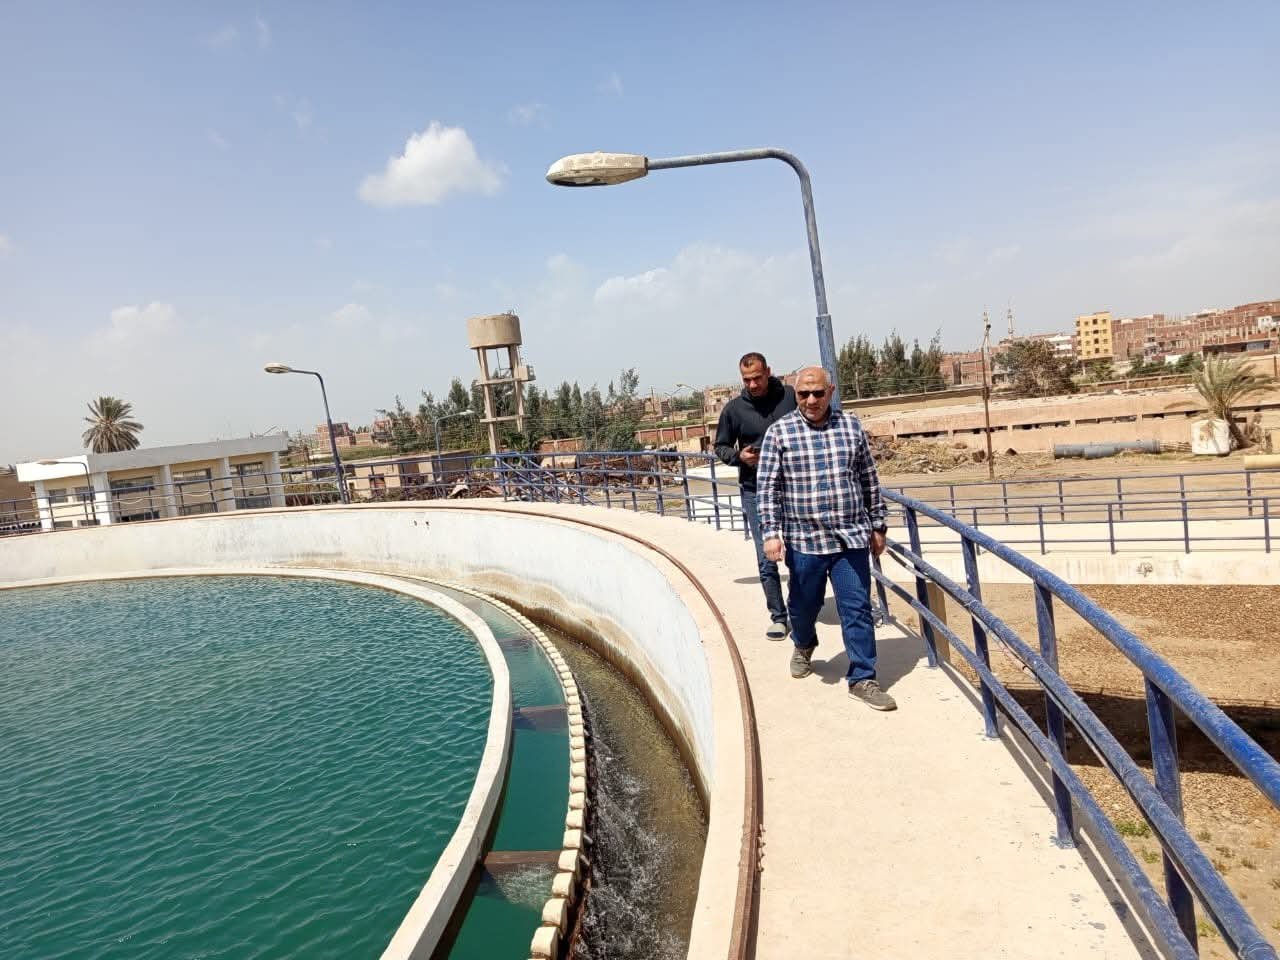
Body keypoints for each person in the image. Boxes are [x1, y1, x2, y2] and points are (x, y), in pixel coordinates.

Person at [756, 365, 897, 711]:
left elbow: (868, 478)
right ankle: (804, 643)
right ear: (796, 394)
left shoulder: (850, 427)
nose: (811, 400)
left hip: (850, 538)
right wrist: (771, 534)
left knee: (857, 608)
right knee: (803, 608)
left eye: (818, 393)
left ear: (830, 392)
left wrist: (878, 525)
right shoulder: (779, 433)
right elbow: (768, 490)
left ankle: (863, 678)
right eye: (803, 394)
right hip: (805, 542)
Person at [714, 352, 797, 641]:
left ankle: (799, 608)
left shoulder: (790, 397)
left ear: (768, 372)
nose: (752, 384)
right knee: (766, 556)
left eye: (757, 378)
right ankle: (779, 617)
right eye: (746, 379)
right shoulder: (733, 410)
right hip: (755, 489)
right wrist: (740, 457)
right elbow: (721, 446)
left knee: (798, 552)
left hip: (794, 487)